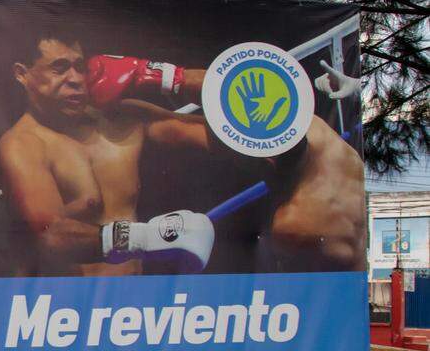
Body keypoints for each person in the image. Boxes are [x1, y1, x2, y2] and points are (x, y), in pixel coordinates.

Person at [87, 52, 367, 271]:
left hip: (319, 299)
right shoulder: (320, 134)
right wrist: (155, 74)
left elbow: (174, 126)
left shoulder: (294, 223)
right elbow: (225, 99)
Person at [0, 34, 217, 277]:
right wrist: (149, 237)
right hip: (68, 309)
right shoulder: (23, 144)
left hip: (132, 306)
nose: (76, 79)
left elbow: (232, 135)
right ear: (22, 73)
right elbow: (52, 234)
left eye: (80, 67)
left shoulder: (120, 119)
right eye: (59, 69)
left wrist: (164, 75)